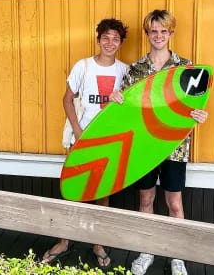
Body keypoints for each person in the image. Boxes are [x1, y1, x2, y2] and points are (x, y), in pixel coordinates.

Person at [109, 9, 208, 275]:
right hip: (143, 147)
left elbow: (191, 108)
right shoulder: (136, 69)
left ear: (171, 33)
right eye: (154, 31)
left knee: (175, 204)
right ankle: (146, 250)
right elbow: (128, 112)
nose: (159, 36)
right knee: (146, 200)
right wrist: (118, 100)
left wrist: (199, 115)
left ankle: (178, 256)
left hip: (174, 147)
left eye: (164, 31)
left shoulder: (186, 68)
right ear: (147, 34)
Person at [42, 18, 129, 270]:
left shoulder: (124, 70)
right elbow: (67, 100)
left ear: (121, 42)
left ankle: (98, 243)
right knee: (72, 189)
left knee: (103, 192)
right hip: (81, 139)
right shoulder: (84, 66)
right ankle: (64, 240)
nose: (110, 42)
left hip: (108, 141)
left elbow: (130, 108)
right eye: (106, 37)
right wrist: (78, 132)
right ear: (98, 38)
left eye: (115, 38)